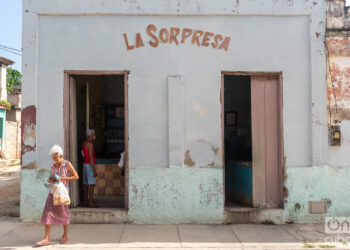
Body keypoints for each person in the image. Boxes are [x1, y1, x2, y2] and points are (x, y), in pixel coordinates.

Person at [36, 145, 79, 246]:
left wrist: (62, 178)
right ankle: (46, 239)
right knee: (47, 213)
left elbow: (76, 176)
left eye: (56, 158)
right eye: (53, 158)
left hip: (63, 194)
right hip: (52, 192)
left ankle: (65, 236)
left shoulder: (67, 164)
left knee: (64, 214)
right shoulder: (53, 165)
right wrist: (52, 179)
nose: (54, 160)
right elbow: (50, 179)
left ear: (61, 155)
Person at [82, 129, 98, 207]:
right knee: (91, 184)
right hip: (90, 165)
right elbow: (91, 157)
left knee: (86, 184)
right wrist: (94, 170)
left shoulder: (84, 143)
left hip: (85, 165)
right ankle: (91, 202)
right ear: (91, 135)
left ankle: (85, 201)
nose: (94, 136)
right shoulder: (90, 145)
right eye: (93, 135)